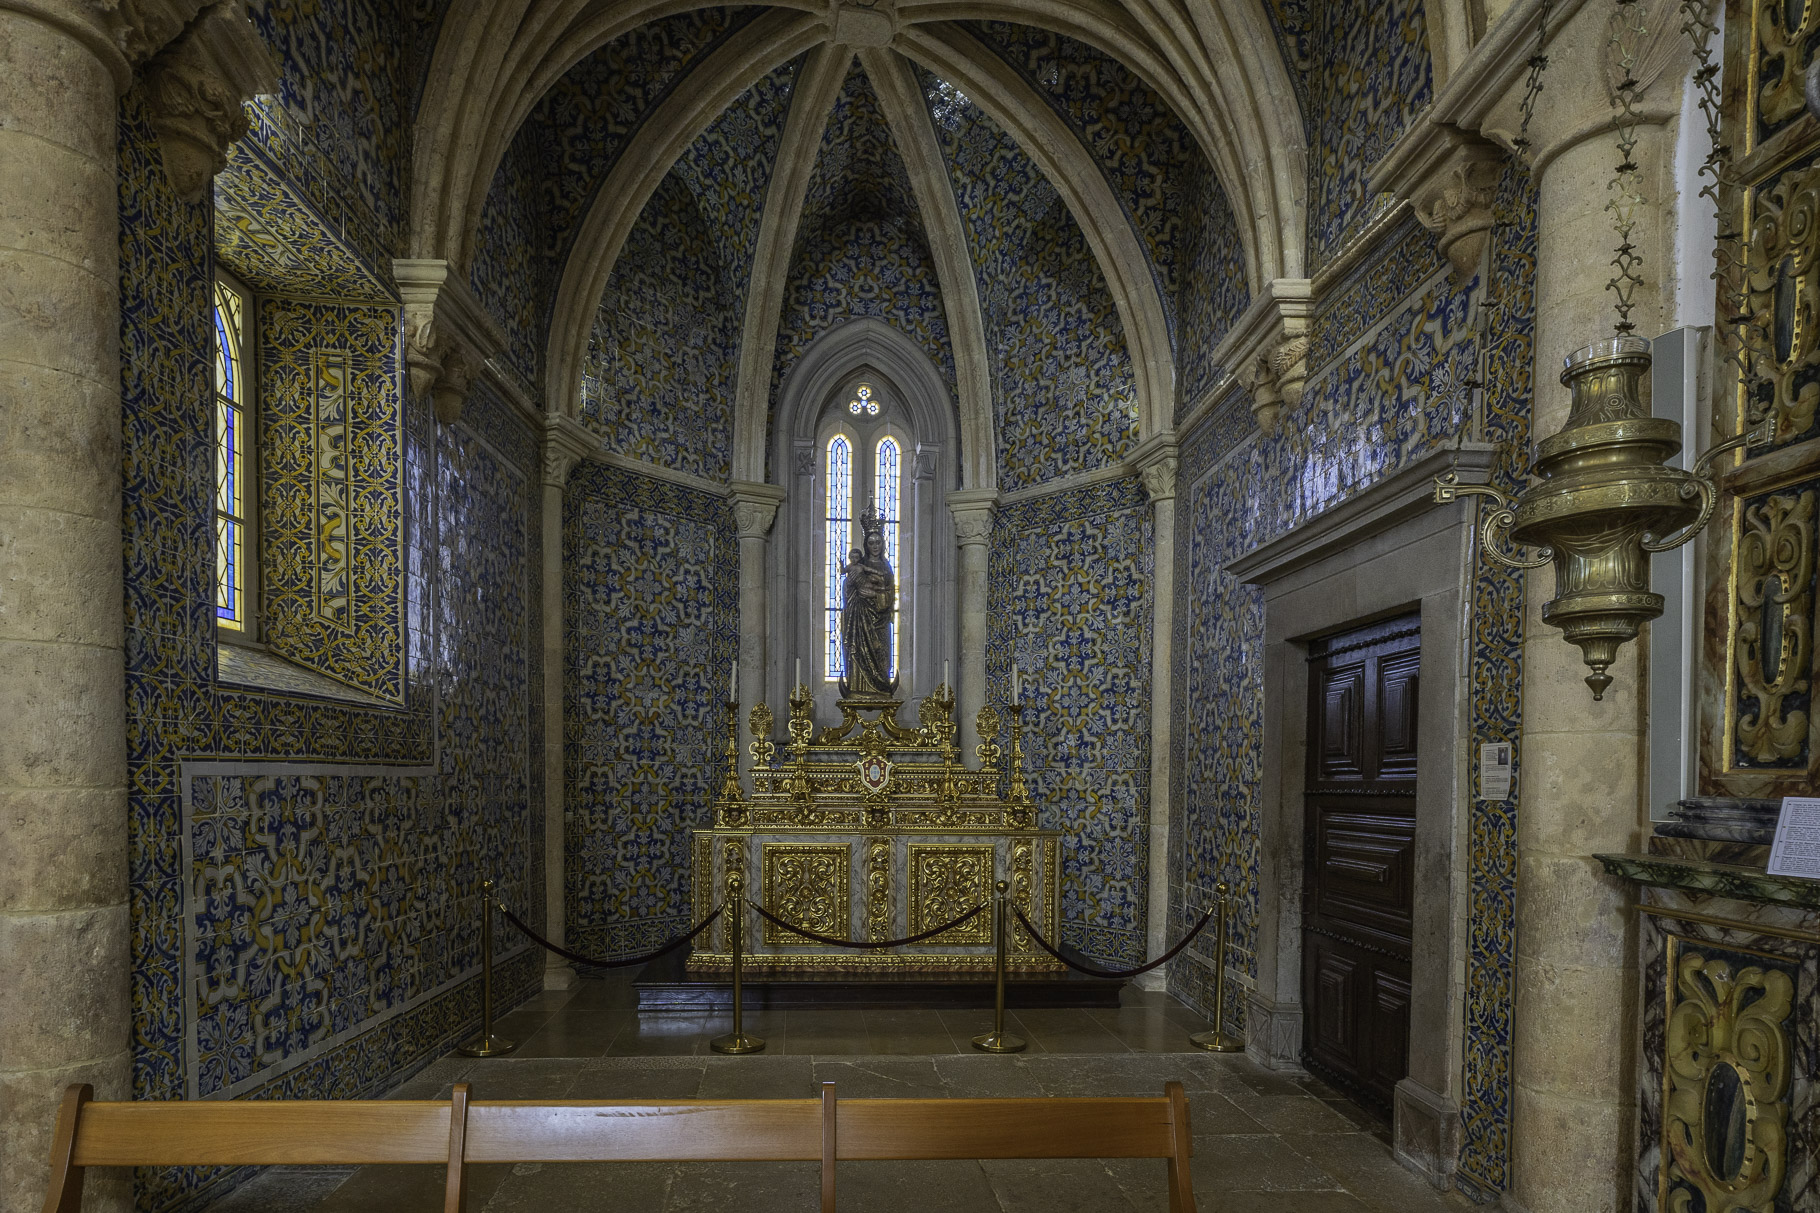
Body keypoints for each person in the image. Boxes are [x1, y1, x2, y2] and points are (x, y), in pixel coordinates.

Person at [840, 507, 898, 698]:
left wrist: (880, 593)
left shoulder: (886, 565)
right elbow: (849, 587)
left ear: (882, 544)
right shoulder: (858, 565)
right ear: (866, 544)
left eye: (878, 542)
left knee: (880, 651)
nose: (875, 546)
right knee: (859, 650)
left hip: (880, 619)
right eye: (871, 542)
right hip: (860, 615)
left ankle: (881, 686)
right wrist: (859, 593)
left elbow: (890, 590)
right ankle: (858, 688)